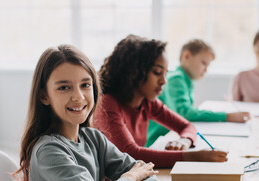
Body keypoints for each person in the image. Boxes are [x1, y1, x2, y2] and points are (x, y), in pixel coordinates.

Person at [13, 44, 159, 181]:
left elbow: (149, 176)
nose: (78, 96)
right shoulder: (48, 151)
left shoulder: (94, 138)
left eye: (85, 85)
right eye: (64, 87)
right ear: (44, 96)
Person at [92, 35, 228, 168]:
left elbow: (187, 126)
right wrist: (194, 157)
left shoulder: (147, 102)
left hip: (133, 179)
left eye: (165, 73)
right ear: (133, 72)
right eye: (157, 72)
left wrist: (185, 140)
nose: (164, 81)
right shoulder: (107, 104)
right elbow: (131, 154)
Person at [147, 39, 250, 146]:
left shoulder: (186, 81)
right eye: (204, 63)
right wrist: (227, 116)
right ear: (187, 56)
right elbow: (185, 113)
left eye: (208, 66)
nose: (206, 70)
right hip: (157, 142)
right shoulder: (176, 79)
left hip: (172, 139)